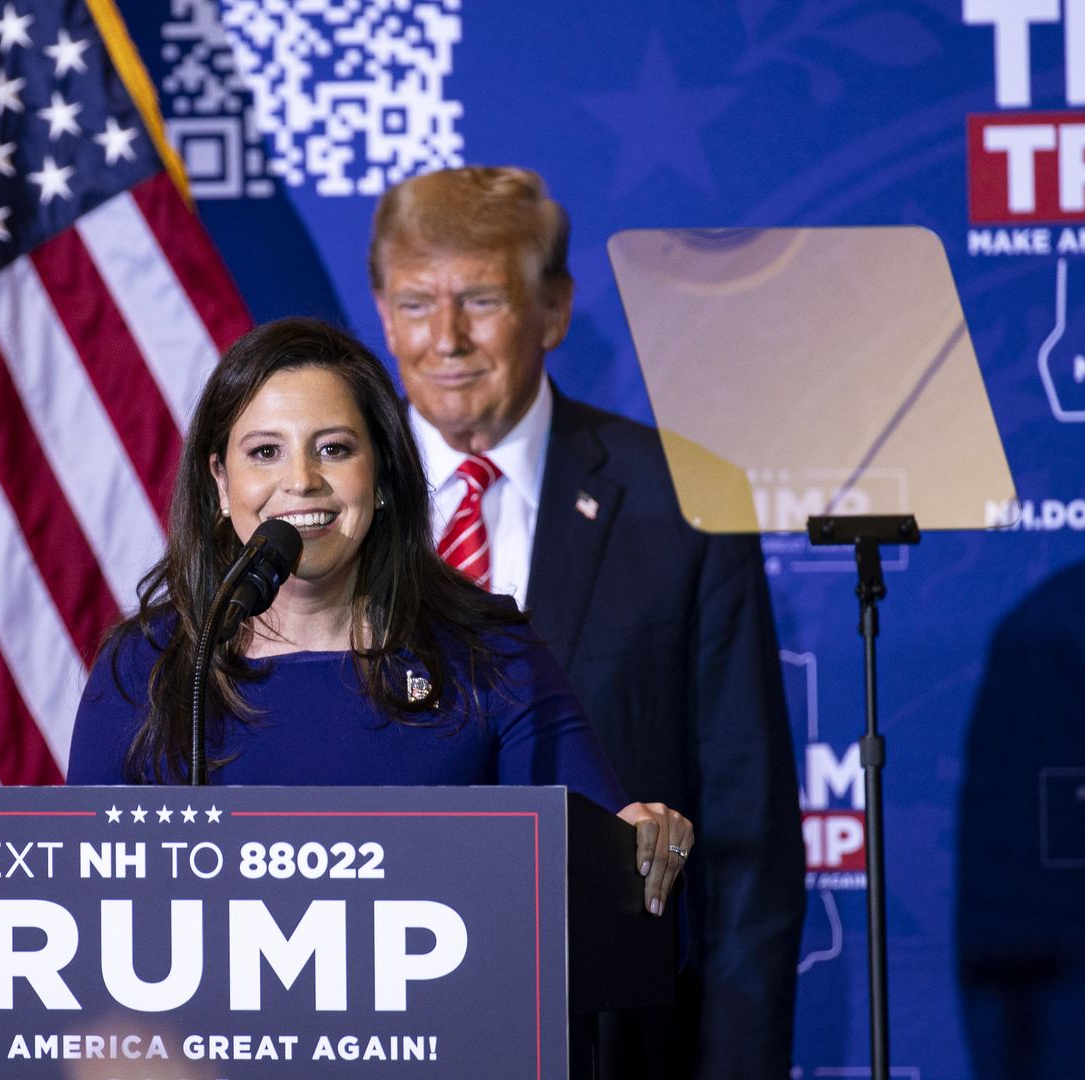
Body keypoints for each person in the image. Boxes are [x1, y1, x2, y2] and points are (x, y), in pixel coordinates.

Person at [369, 166, 804, 1079]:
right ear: (382, 312)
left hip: (613, 1033)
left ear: (554, 311)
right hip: (375, 1019)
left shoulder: (683, 498)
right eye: (415, 303)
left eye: (481, 299)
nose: (445, 339)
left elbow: (746, 834)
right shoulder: (328, 504)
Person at [67, 316, 693, 917]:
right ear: (220, 483)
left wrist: (639, 851)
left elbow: (600, 900)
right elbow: (84, 911)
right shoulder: (145, 668)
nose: (302, 481)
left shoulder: (490, 657)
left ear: (384, 473)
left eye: (334, 449)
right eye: (264, 452)